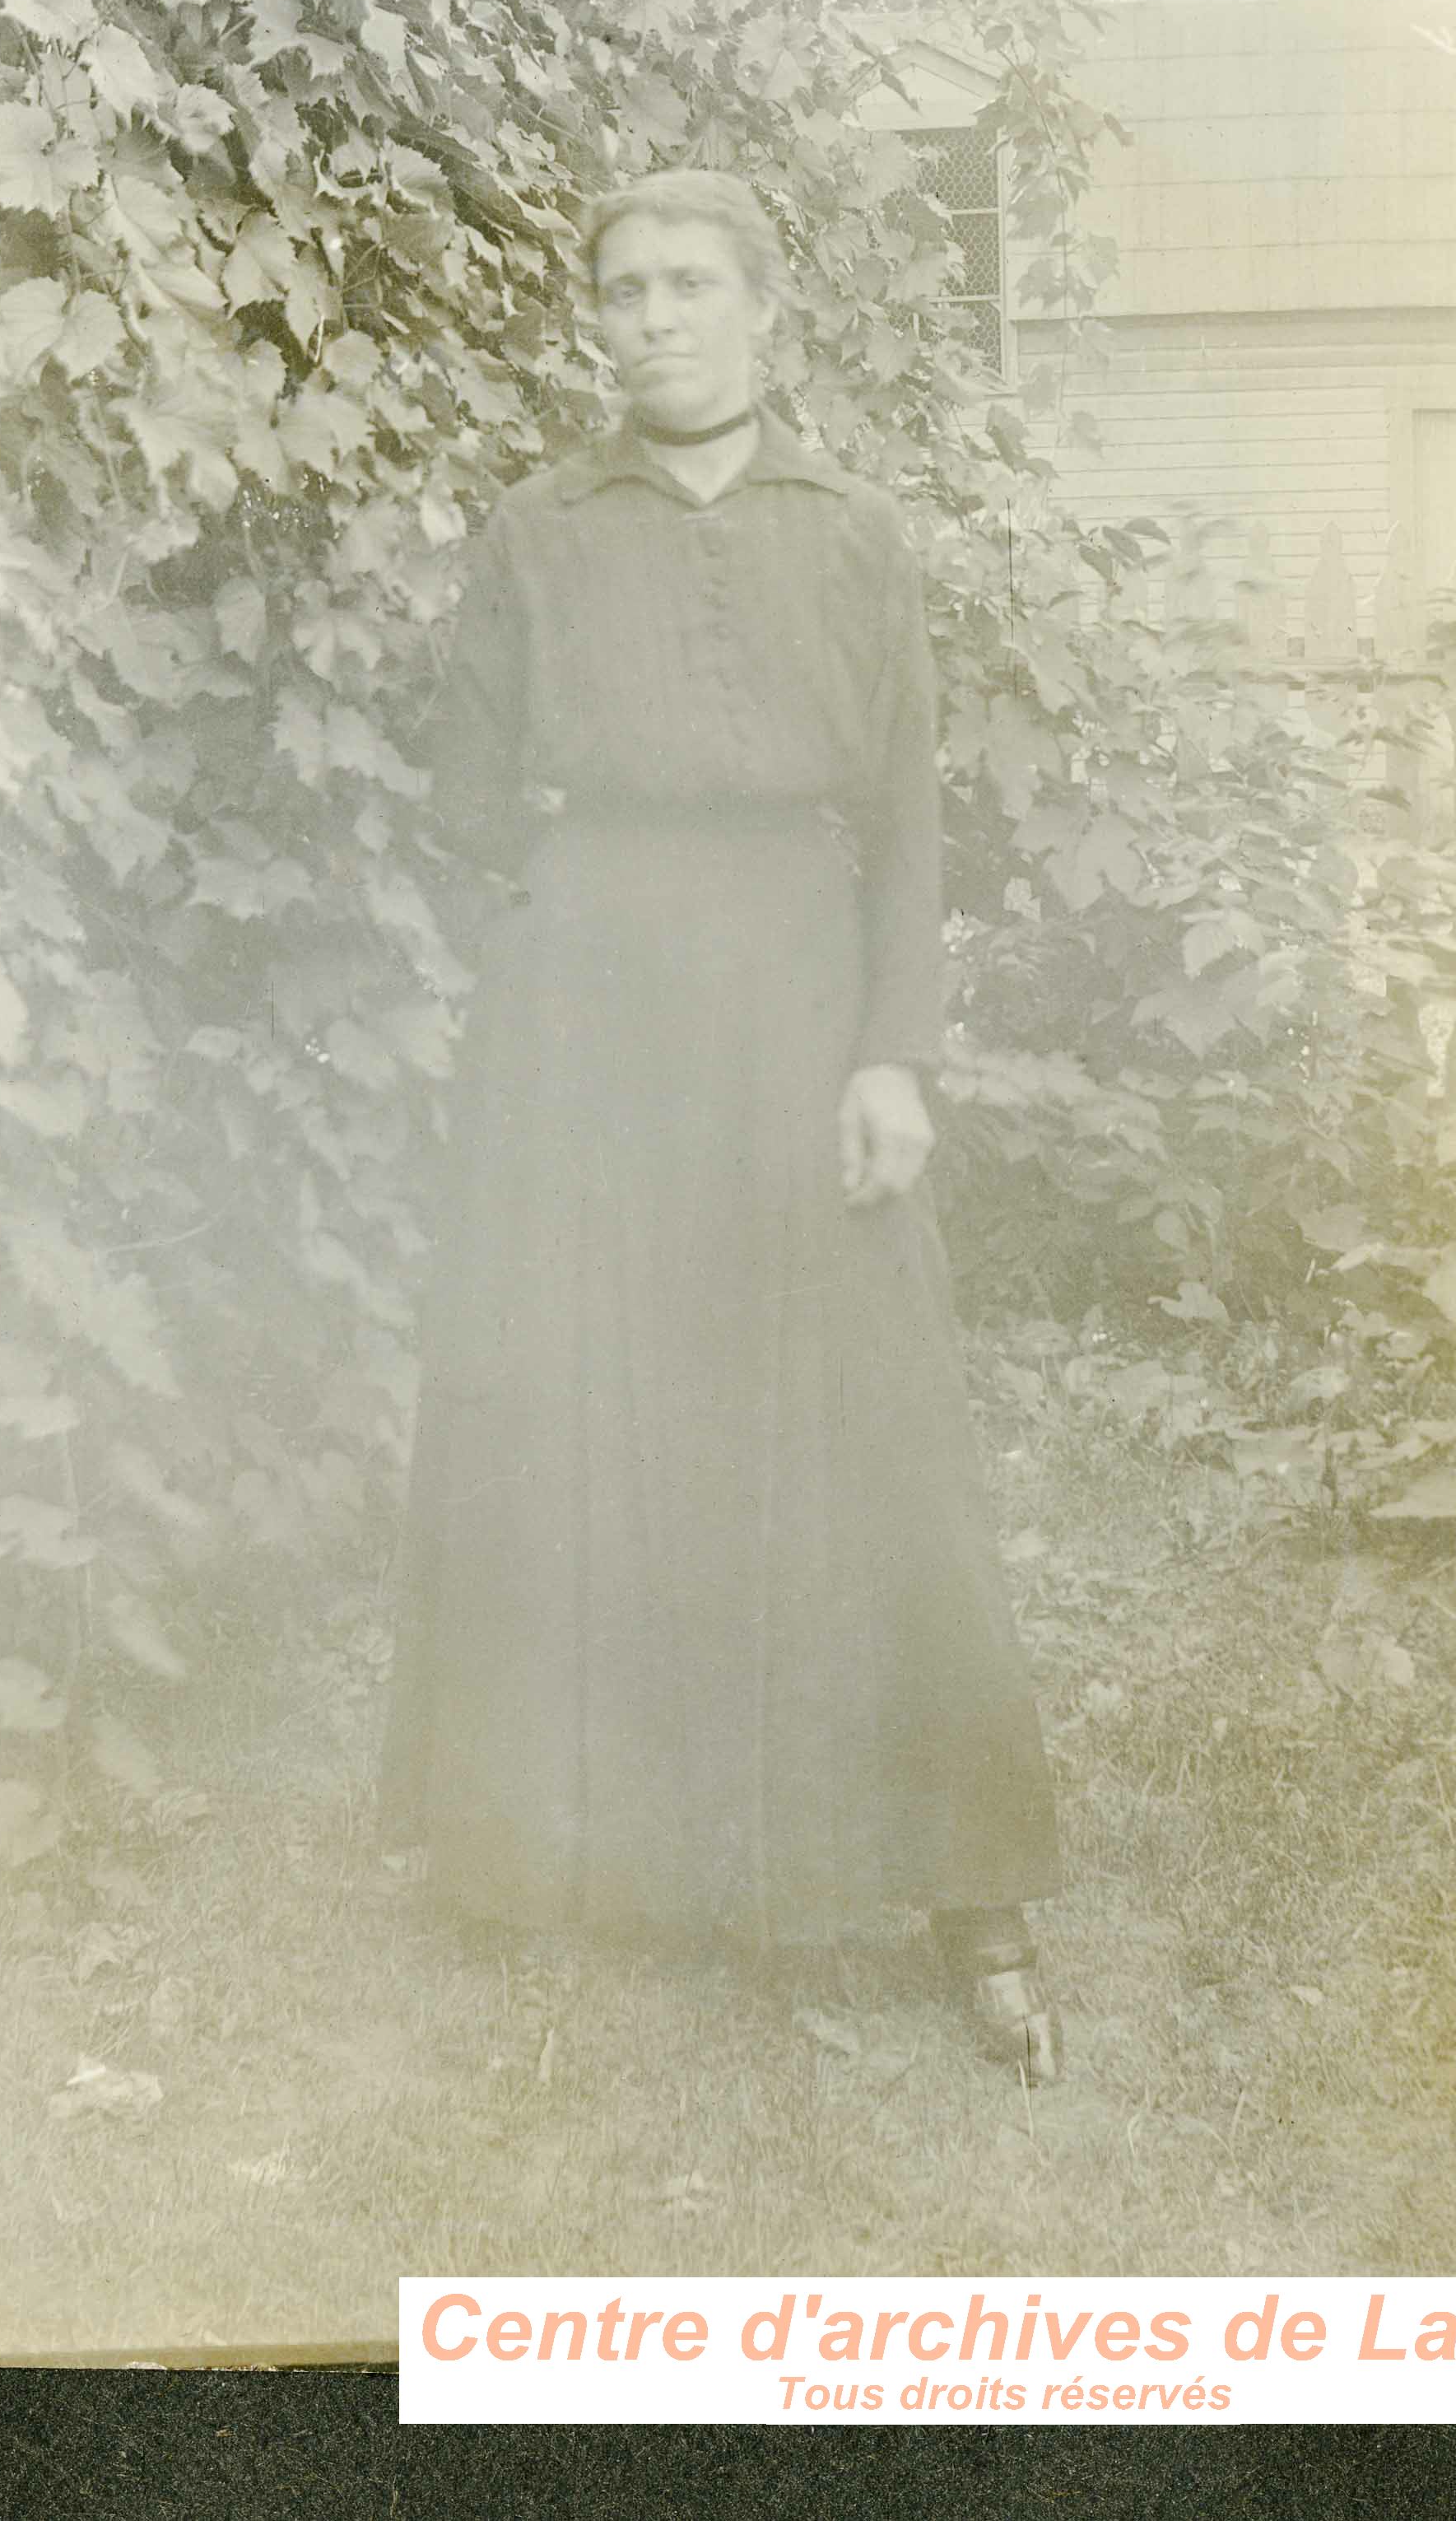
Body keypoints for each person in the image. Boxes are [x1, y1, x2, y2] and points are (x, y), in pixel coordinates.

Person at [379, 168, 1062, 2081]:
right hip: (584, 1004)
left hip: (796, 990)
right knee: (572, 1399)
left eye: (689, 283)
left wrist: (888, 1053)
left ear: (766, 309)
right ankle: (547, 1857)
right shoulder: (534, 529)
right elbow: (457, 791)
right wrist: (558, 926)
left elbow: (910, 817)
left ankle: (967, 1886)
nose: (651, 314)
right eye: (621, 288)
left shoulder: (852, 534)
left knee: (871, 1421)